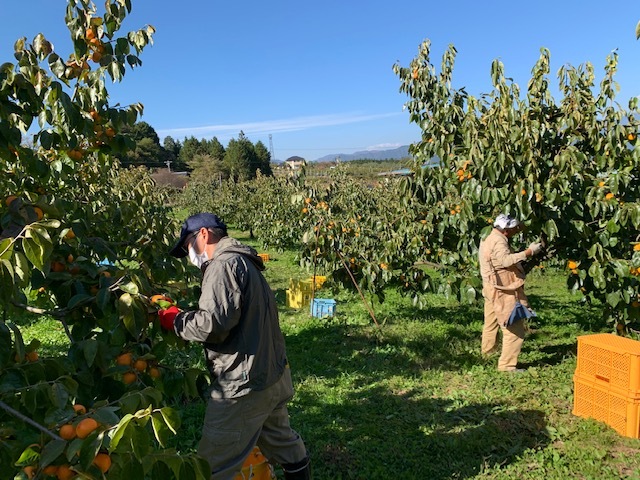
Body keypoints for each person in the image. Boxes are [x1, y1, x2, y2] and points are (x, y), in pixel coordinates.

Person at [158, 213, 311, 479]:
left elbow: (213, 325)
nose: (189, 254)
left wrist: (175, 320)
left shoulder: (223, 265)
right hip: (270, 374)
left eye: (187, 246)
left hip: (243, 385)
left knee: (211, 465)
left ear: (203, 234)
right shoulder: (244, 260)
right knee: (283, 443)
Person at [478, 213, 543, 372]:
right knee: (514, 329)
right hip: (502, 290)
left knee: (491, 322)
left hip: (489, 286)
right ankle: (507, 366)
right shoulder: (499, 242)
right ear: (506, 230)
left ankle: (488, 352)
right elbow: (505, 261)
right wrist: (529, 252)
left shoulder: (488, 235)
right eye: (514, 228)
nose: (517, 231)